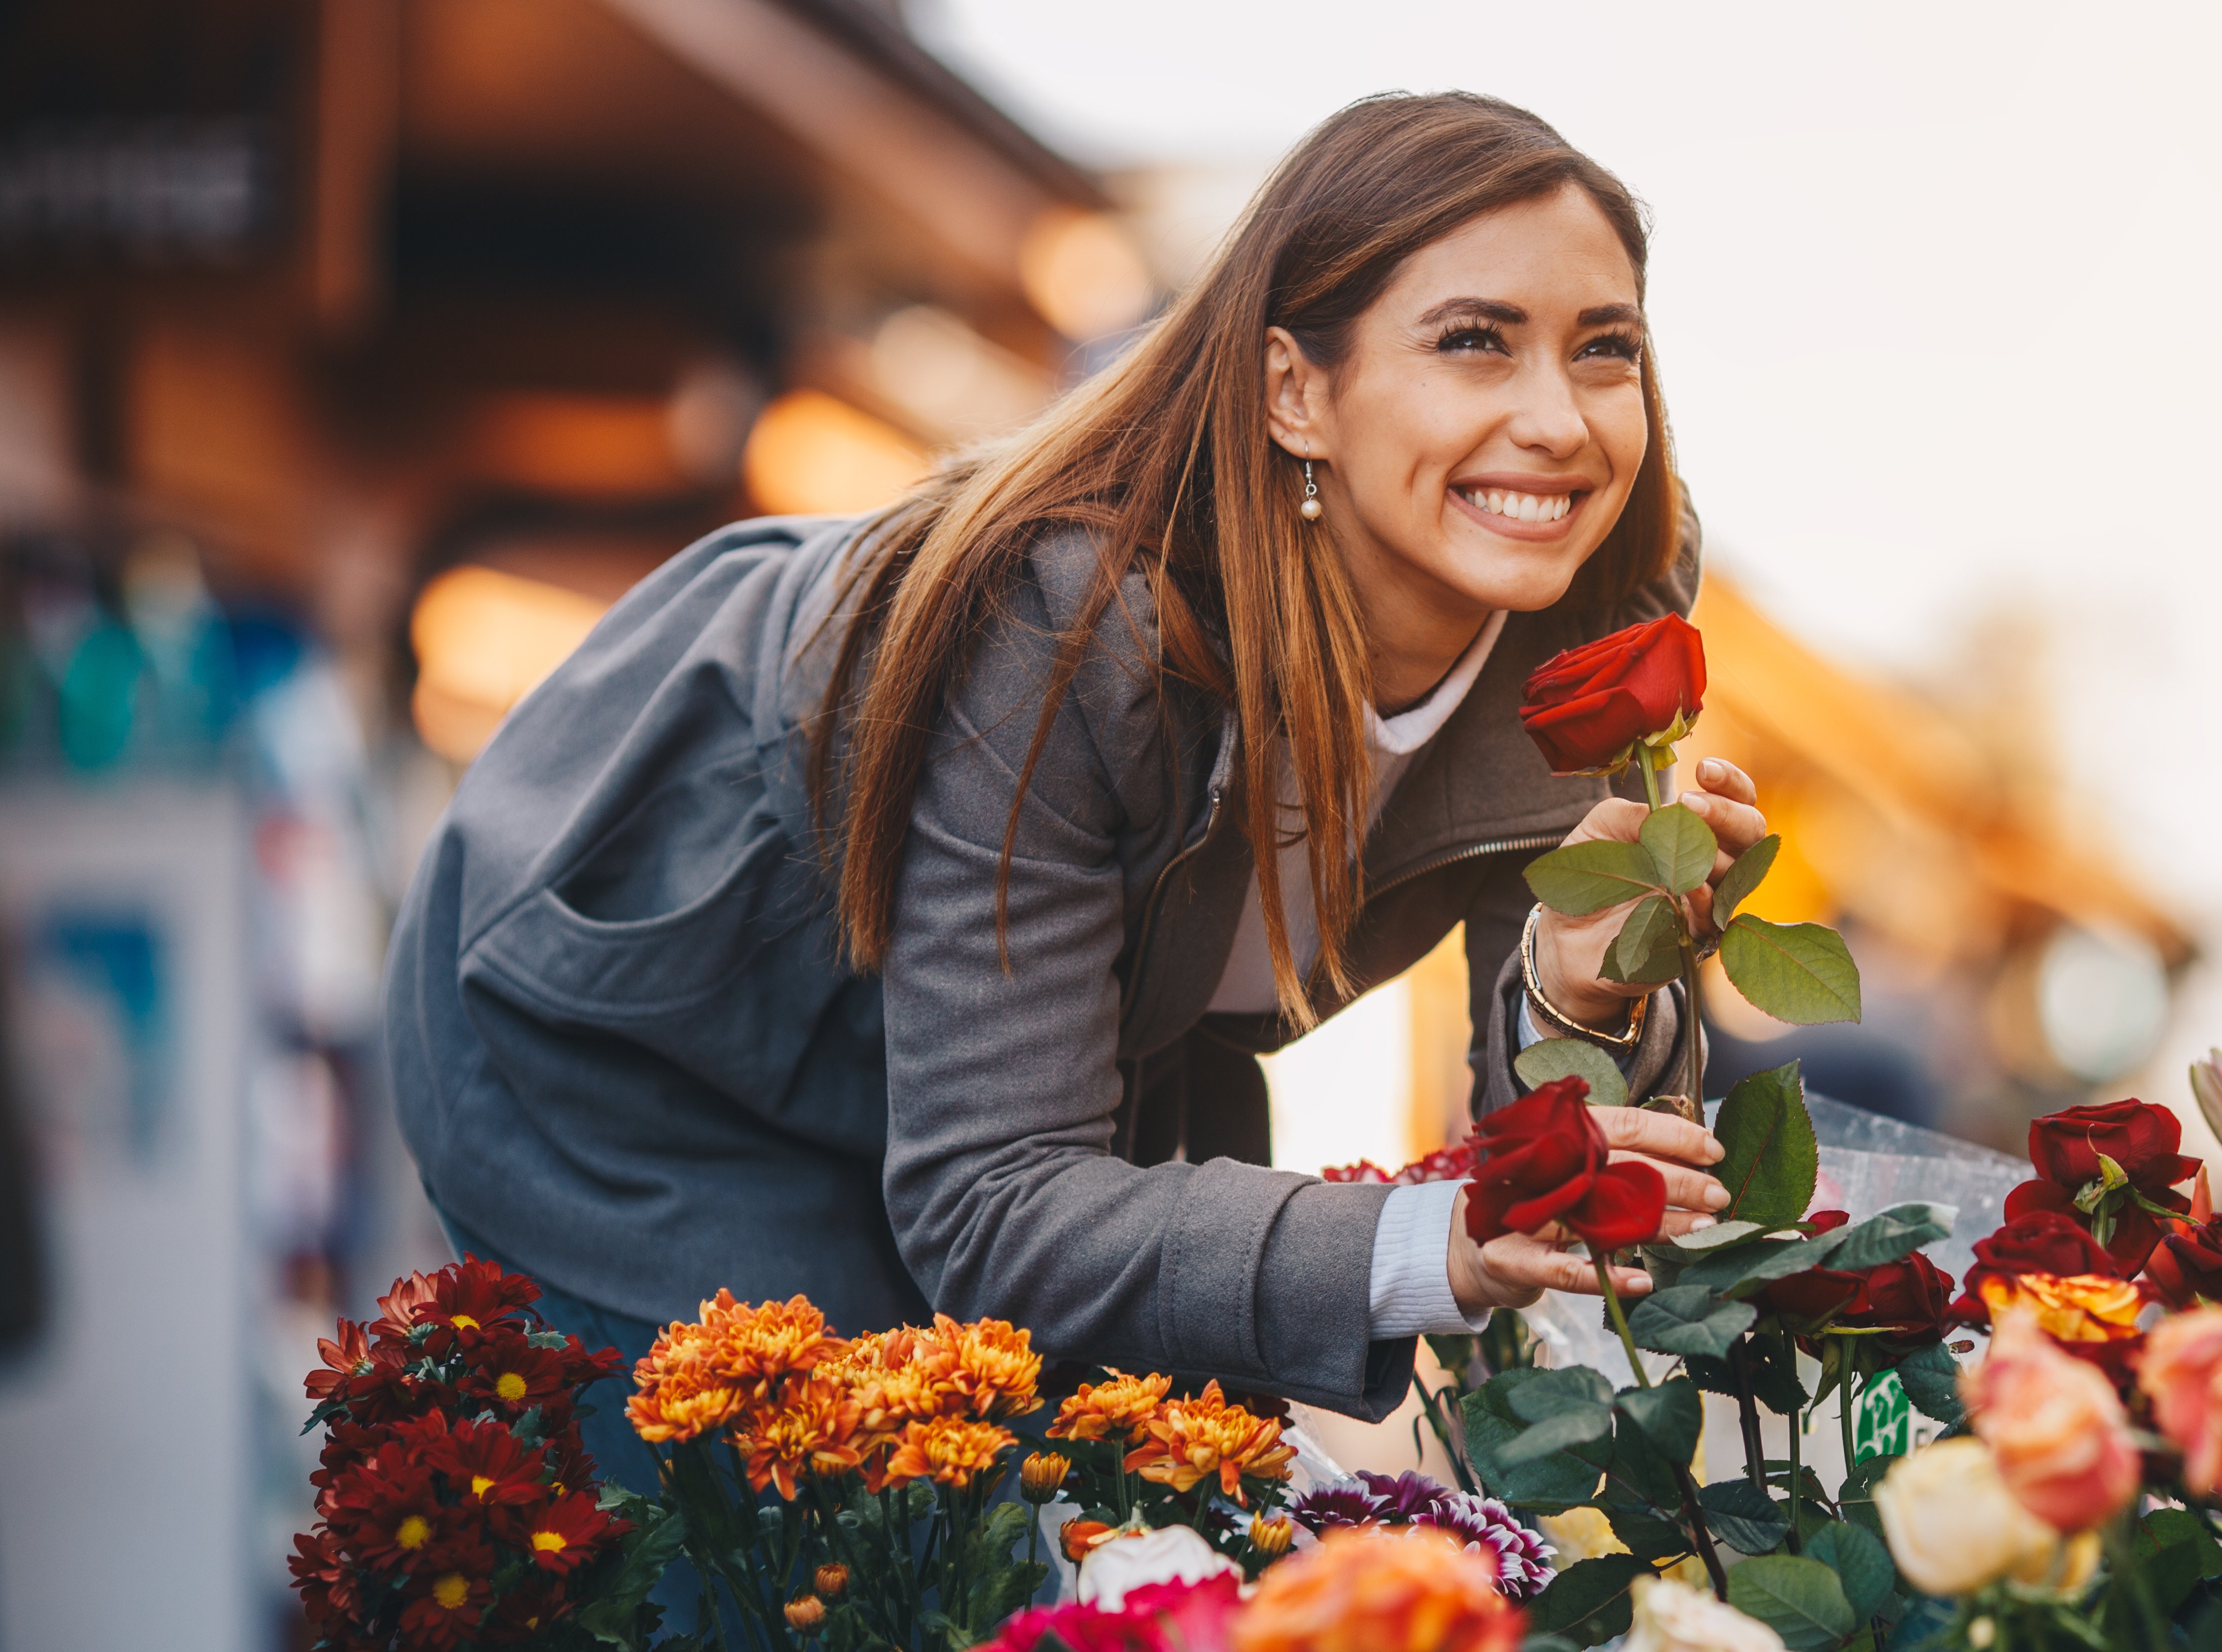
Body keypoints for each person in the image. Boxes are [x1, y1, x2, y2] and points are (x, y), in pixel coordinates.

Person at [384, 93, 1768, 1467]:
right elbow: (992, 1206)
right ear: (1294, 389)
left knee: (1144, 1528)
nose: (1559, 423)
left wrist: (1579, 987)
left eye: (1605, 351)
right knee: (823, 1581)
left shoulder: (1599, 597)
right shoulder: (1063, 624)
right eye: (1474, 343)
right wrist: (1428, 1241)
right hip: (650, 1036)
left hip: (1079, 1069)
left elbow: (1560, 1134)